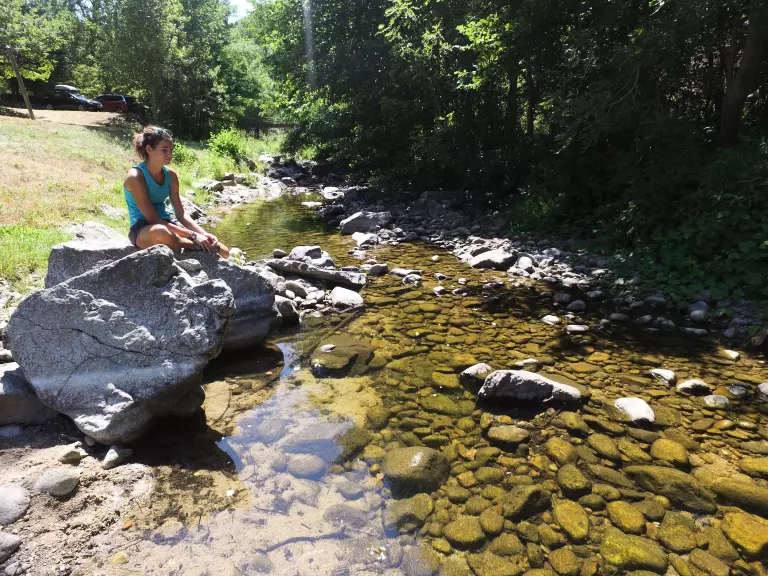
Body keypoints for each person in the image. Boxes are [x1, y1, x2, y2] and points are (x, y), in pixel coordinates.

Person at [124, 126, 230, 258]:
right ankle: (195, 245)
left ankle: (194, 244)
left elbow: (181, 214)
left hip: (167, 224)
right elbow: (153, 219)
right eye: (164, 150)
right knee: (162, 232)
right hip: (143, 229)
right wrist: (193, 235)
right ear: (149, 149)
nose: (170, 154)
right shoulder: (135, 176)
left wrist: (203, 234)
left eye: (171, 150)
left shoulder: (171, 175)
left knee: (225, 251)